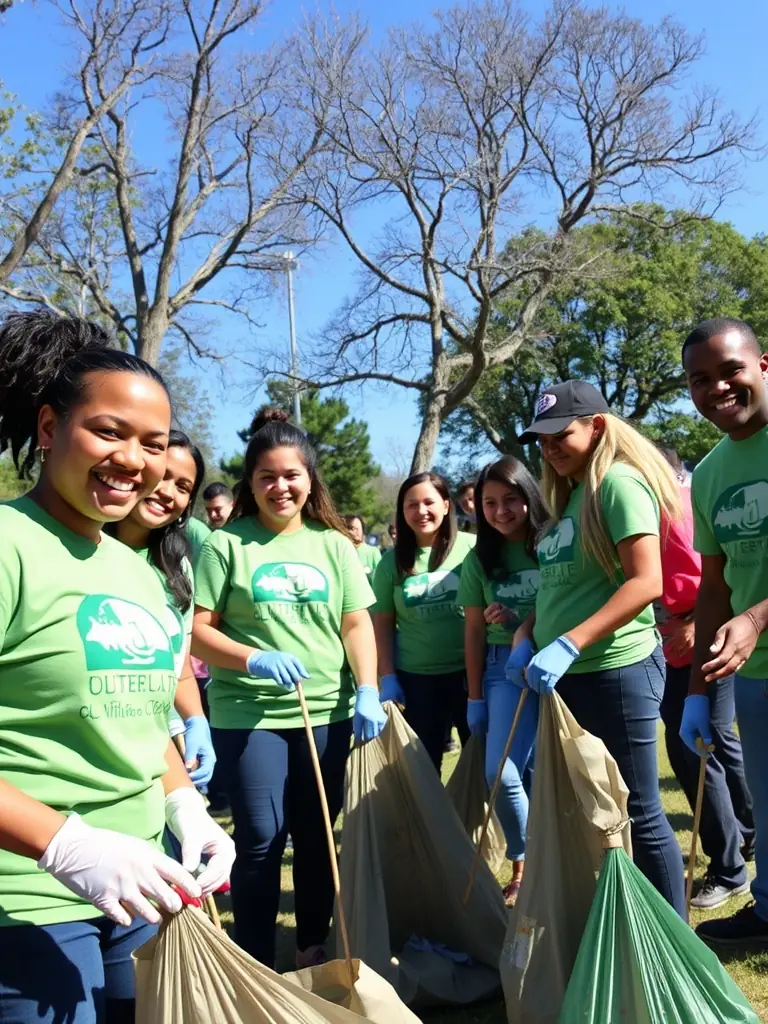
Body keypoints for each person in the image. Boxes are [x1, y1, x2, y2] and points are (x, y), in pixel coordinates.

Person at [0, 310, 234, 1023]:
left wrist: (184, 806)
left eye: (153, 444)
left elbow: (137, 719)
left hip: (143, 893)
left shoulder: (133, 570)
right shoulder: (9, 545)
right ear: (48, 429)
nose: (133, 459)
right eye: (108, 430)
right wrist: (65, 844)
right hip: (27, 904)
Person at [192, 409, 383, 969]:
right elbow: (197, 632)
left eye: (291, 475)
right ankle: (253, 960)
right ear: (251, 482)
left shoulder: (334, 545)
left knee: (319, 835)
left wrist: (367, 688)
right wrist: (252, 658)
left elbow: (356, 624)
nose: (280, 486)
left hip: (326, 711)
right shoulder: (223, 546)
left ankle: (311, 948)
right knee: (260, 838)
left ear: (310, 479)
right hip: (248, 713)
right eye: (267, 476)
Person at [510, 380, 686, 918]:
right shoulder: (568, 498)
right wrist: (526, 634)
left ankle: (675, 945)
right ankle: (627, 927)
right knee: (595, 813)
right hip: (569, 677)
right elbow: (562, 587)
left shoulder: (618, 483)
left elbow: (645, 582)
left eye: (561, 435)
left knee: (638, 808)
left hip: (617, 669)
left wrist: (568, 642)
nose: (551, 448)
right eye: (541, 441)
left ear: (598, 426)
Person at [680, 317, 768, 945]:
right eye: (700, 380)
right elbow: (714, 588)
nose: (718, 388)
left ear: (763, 366)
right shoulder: (709, 473)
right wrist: (693, 691)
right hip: (756, 674)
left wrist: (757, 617)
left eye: (730, 370)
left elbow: (742, 605)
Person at [657, 445, 754, 911]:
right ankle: (747, 833)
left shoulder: (683, 505)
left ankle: (730, 867)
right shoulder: (644, 510)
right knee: (713, 739)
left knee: (694, 747)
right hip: (671, 646)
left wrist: (696, 624)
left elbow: (715, 579)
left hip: (712, 636)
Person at [459, 457, 546, 906]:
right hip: (502, 669)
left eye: (510, 499)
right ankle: (524, 862)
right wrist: (475, 696)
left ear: (529, 495)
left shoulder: (552, 540)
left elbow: (568, 597)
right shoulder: (480, 558)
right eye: (489, 502)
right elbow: (473, 631)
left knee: (544, 771)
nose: (500, 510)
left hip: (560, 664)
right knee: (502, 773)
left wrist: (524, 623)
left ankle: (562, 863)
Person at [107, 430, 217, 787]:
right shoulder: (79, 546)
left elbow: (178, 664)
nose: (168, 492)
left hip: (161, 745)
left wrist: (195, 721)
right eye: (163, 474)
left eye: (183, 487)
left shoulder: (177, 567)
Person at [372, 472, 475, 772]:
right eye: (411, 505)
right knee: (424, 768)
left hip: (472, 676)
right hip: (417, 681)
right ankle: (430, 821)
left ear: (446, 505)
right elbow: (382, 626)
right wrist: (388, 677)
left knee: (482, 764)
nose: (421, 512)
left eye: (429, 502)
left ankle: (482, 820)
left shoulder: (472, 548)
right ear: (402, 512)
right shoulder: (390, 563)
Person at [344, 513, 381, 579]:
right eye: (353, 528)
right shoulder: (342, 552)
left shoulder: (372, 552)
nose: (357, 532)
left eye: (359, 528)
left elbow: (380, 579)